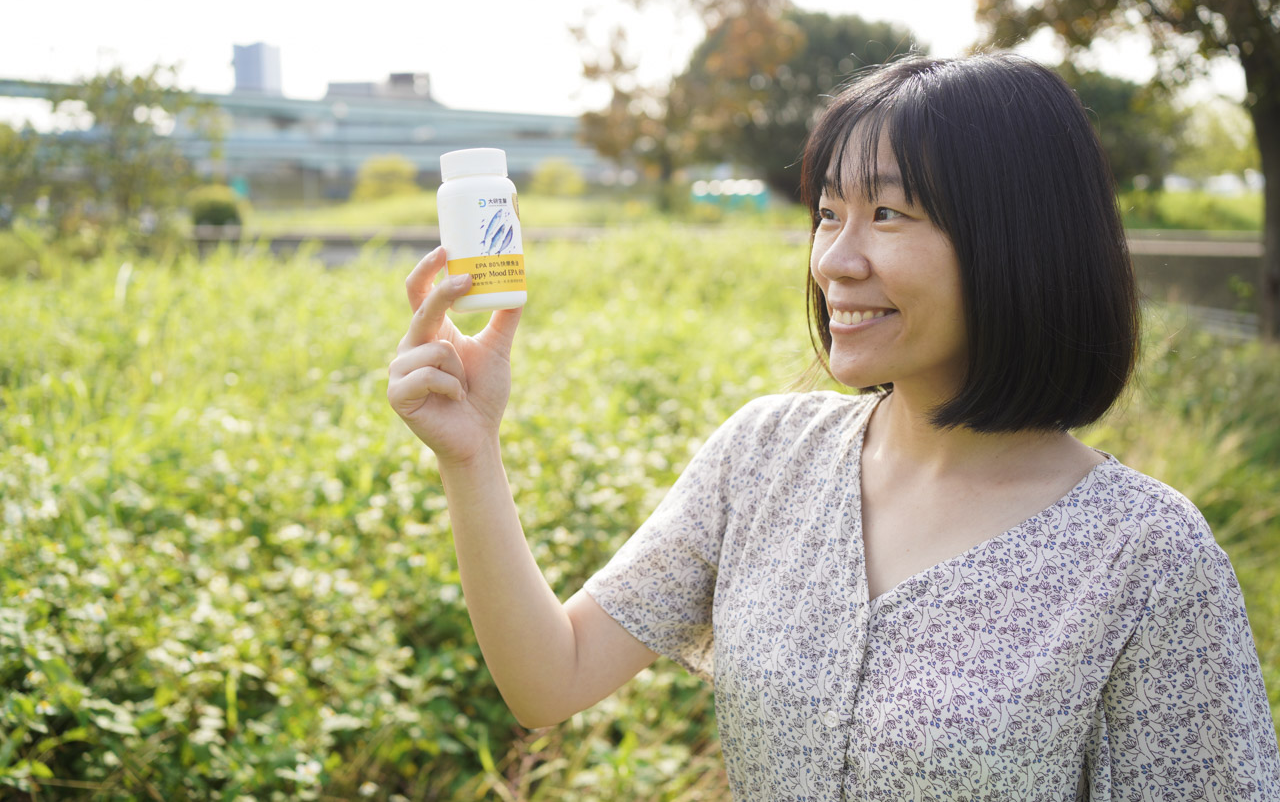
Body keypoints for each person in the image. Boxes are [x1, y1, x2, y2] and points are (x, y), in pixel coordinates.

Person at [388, 53, 1280, 800]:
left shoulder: (1148, 555)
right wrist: (472, 452)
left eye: (888, 213)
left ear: (1018, 242)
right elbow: (552, 677)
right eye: (827, 213)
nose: (834, 261)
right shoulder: (765, 455)